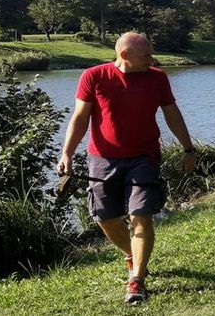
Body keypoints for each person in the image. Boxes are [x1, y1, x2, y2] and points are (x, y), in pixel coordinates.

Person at [57, 32, 197, 303]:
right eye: (146, 55)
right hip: (101, 158)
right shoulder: (94, 76)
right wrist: (67, 154)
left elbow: (172, 114)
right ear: (124, 56)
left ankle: (137, 281)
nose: (152, 59)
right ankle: (132, 254)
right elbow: (80, 117)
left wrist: (188, 149)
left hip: (143, 157)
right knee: (104, 218)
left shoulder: (157, 78)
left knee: (140, 216)